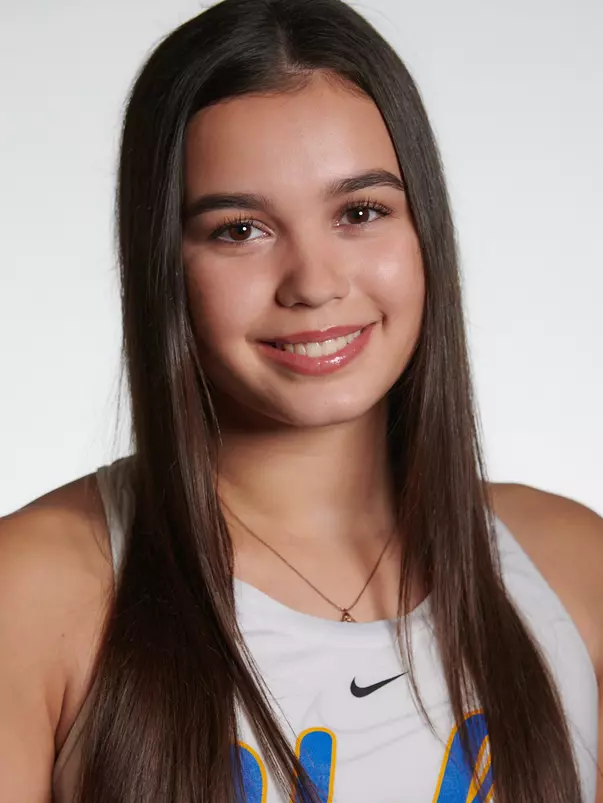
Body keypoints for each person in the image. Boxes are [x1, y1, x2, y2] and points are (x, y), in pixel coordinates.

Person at [0, 0, 601, 800]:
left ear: (424, 229)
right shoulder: (32, 590)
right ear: (163, 263)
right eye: (239, 229)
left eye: (360, 212)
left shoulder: (570, 566)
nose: (313, 284)